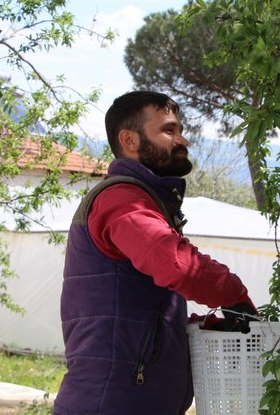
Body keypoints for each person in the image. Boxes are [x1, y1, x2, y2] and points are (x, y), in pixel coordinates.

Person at [54, 90, 258, 415]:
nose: (183, 140)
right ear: (130, 140)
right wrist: (235, 296)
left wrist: (200, 327)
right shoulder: (121, 200)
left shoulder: (145, 202)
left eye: (179, 130)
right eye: (168, 130)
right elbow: (177, 266)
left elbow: (136, 314)